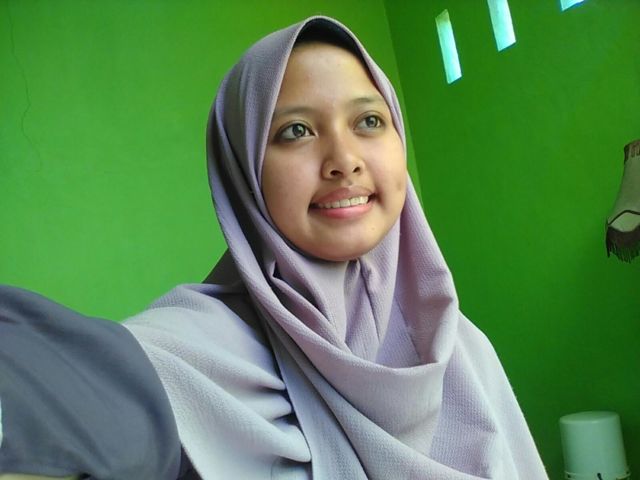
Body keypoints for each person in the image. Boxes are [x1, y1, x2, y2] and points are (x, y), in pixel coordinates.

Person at [0, 16, 548, 480]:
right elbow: (66, 387)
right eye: (296, 131)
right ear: (245, 170)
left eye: (369, 121)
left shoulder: (460, 349)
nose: (344, 160)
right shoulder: (202, 349)